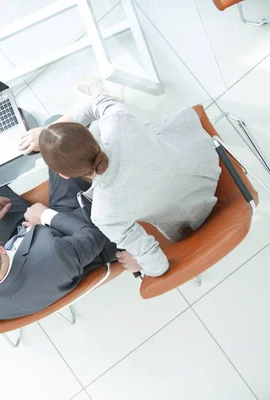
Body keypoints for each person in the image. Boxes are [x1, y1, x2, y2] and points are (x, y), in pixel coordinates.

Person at [19, 78, 221, 277]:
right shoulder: (118, 123)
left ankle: (97, 90)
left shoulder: (104, 213)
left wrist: (139, 264)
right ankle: (96, 88)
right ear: (89, 136)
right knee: (116, 112)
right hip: (205, 159)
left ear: (63, 175)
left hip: (194, 214)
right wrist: (47, 130)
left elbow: (158, 267)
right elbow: (98, 103)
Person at [0, 170, 116, 320]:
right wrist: (46, 217)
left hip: (18, 239)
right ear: (0, 247)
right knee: (59, 149)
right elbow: (94, 236)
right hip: (64, 232)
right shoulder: (55, 253)